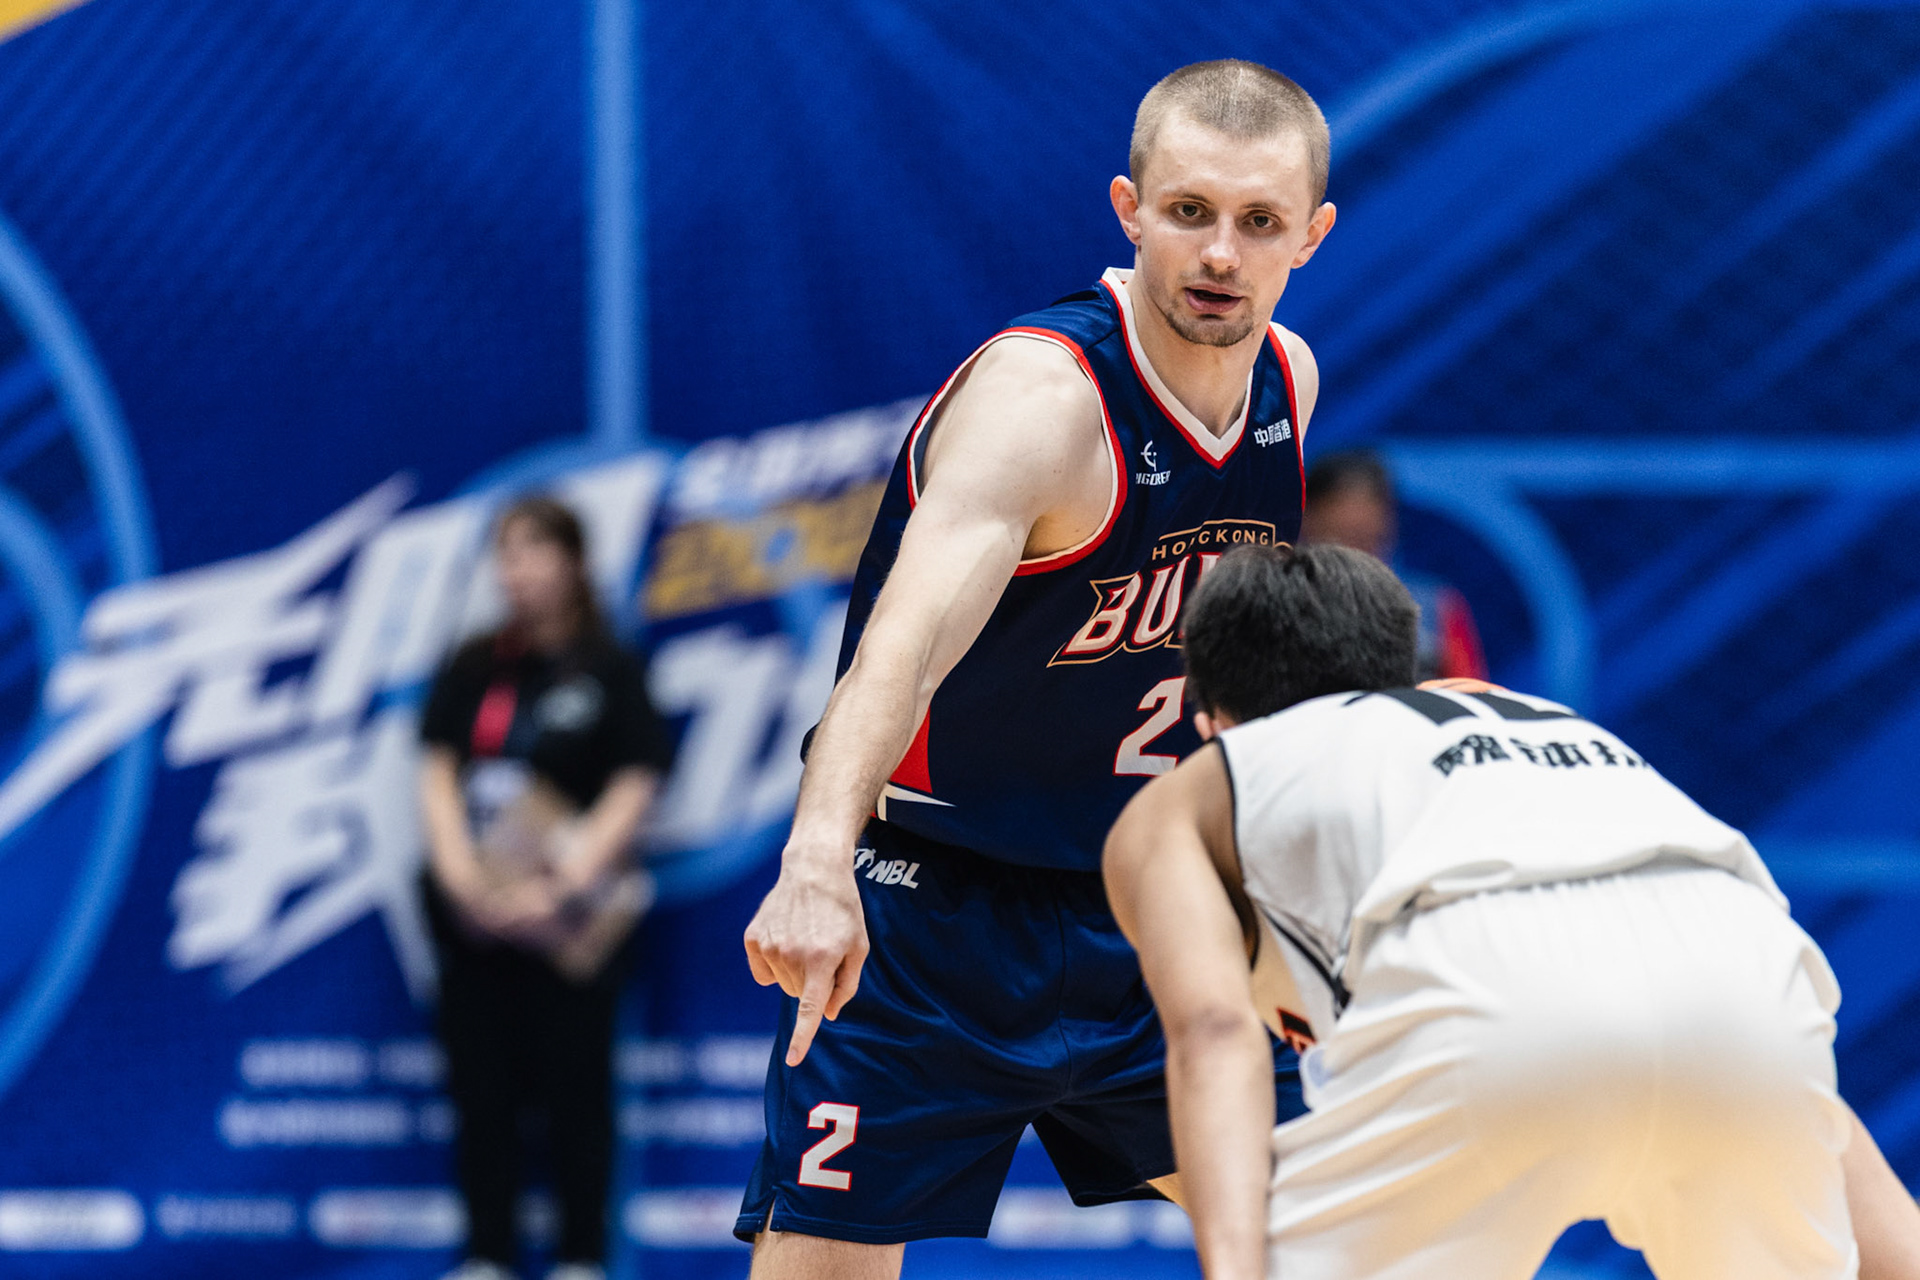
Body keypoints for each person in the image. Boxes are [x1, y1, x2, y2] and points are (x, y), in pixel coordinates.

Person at [736, 59, 1337, 1275]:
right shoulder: (1047, 398)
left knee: (1338, 1232)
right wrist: (813, 860)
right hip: (935, 911)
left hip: (1145, 900)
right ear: (1129, 208)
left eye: (1258, 222)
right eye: (1190, 213)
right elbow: (895, 657)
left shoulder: (1288, 380)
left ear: (1310, 236)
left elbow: (1233, 671)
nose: (1220, 253)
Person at [1104, 541, 1920, 1279]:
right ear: (1408, 673)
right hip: (1757, 1003)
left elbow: (1214, 1036)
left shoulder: (1201, 788)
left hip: (1487, 994)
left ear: (1210, 723)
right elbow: (1695, 984)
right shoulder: (1541, 726)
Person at [417, 495, 674, 1280]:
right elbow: (435, 771)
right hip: (475, 918)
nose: (515, 573)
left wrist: (564, 883)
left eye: (530, 553)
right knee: (480, 1090)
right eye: (504, 556)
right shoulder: (475, 664)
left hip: (570, 922)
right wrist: (462, 877)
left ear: (571, 562)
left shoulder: (609, 667)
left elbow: (637, 779)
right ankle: (486, 1255)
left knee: (577, 1091)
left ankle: (580, 1258)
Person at [1300, 448, 1486, 681]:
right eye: (1342, 539)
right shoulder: (1277, 605)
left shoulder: (1436, 609)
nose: (1355, 559)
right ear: (1308, 519)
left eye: (1367, 541)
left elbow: (1472, 694)